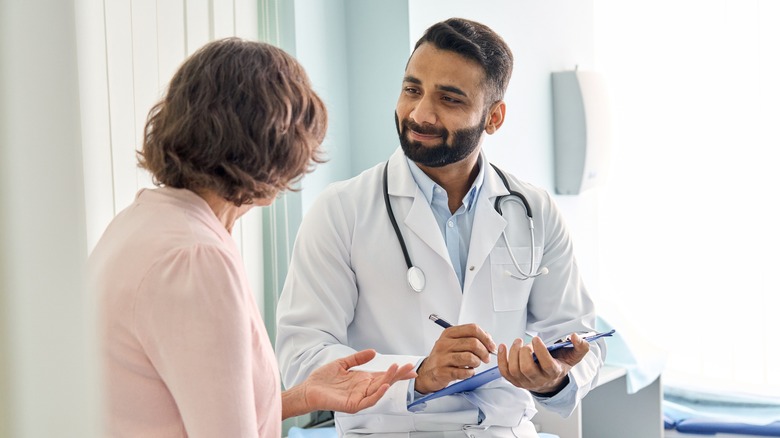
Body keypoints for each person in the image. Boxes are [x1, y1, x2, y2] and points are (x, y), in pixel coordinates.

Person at [275, 17, 606, 437]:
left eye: (449, 99)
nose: (420, 113)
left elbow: (582, 339)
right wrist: (418, 373)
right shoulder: (342, 210)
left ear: (494, 117)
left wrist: (553, 378)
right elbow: (302, 356)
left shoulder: (534, 210)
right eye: (412, 89)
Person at [86, 38, 416, 437]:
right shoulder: (196, 258)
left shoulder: (141, 221)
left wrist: (304, 396)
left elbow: (188, 407)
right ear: (275, 147)